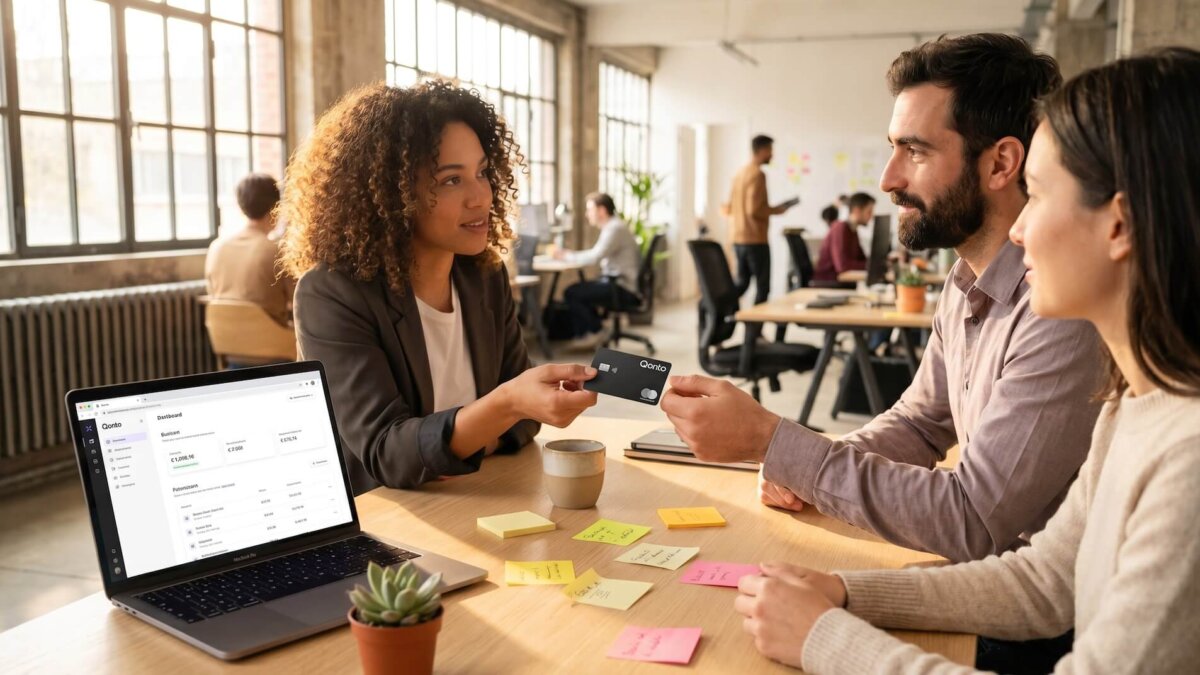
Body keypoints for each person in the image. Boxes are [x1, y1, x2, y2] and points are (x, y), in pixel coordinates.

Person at [729, 47, 1200, 675]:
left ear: (1120, 226)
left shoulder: (1187, 458)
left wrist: (825, 639)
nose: (1018, 230)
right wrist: (844, 593)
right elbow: (1044, 582)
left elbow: (979, 523)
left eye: (1039, 195)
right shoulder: (1135, 402)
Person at [663, 33, 1102, 672]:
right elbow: (924, 419)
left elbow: (974, 522)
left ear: (1002, 165)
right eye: (893, 147)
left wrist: (773, 440)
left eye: (915, 151)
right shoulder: (964, 281)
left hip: (1018, 626)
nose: (888, 178)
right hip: (997, 590)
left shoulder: (1060, 312)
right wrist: (807, 462)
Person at [280, 81, 597, 494]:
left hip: (481, 498)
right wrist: (503, 407)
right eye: (451, 180)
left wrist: (484, 429)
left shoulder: (483, 277)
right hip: (391, 522)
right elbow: (387, 453)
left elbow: (525, 420)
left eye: (482, 173)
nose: (480, 197)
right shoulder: (332, 293)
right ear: (393, 196)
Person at [204, 173, 293, 326]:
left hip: (226, 338)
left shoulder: (216, 247)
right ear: (275, 207)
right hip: (272, 341)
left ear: (241, 205)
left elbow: (212, 293)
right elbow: (298, 300)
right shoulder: (277, 252)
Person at [555, 192, 641, 348]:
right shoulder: (613, 226)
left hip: (621, 286)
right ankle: (594, 330)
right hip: (616, 282)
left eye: (590, 209)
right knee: (580, 290)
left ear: (601, 210)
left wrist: (568, 256)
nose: (587, 214)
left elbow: (595, 256)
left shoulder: (615, 228)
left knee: (572, 292)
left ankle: (596, 330)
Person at [724, 134, 797, 305]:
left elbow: (732, 205)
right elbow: (754, 210)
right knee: (763, 287)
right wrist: (777, 210)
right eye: (770, 150)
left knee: (742, 283)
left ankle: (719, 309)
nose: (772, 155)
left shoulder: (739, 173)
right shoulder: (758, 175)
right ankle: (753, 331)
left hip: (738, 237)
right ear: (762, 150)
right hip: (755, 238)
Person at [813, 192, 875, 284]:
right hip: (829, 283)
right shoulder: (840, 228)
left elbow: (861, 260)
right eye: (869, 212)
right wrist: (874, 265)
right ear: (857, 211)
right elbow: (843, 266)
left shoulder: (853, 230)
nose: (871, 216)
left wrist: (879, 263)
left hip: (841, 281)